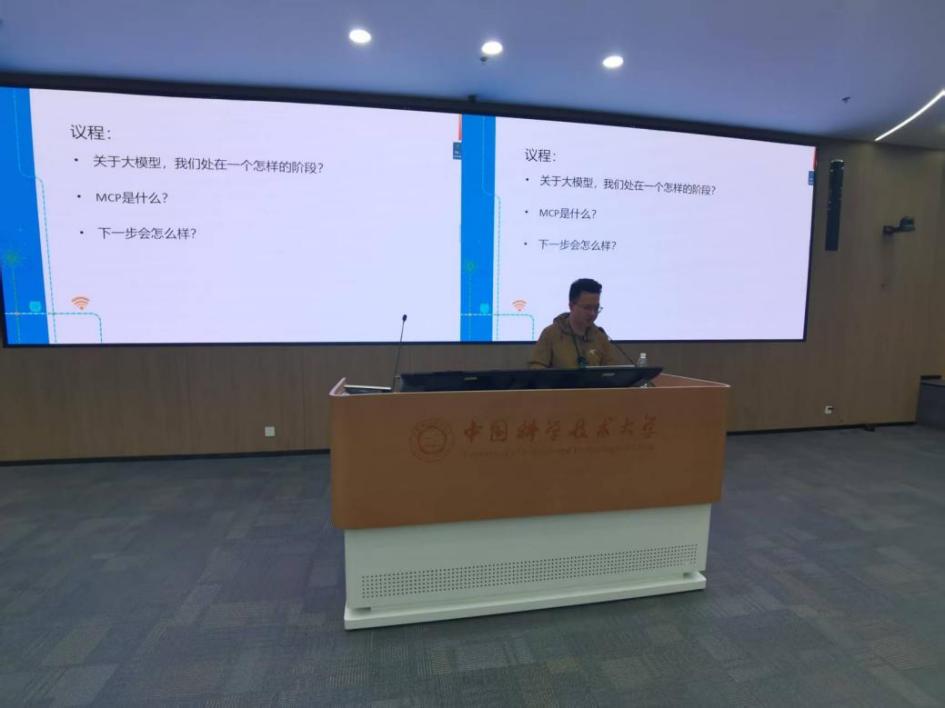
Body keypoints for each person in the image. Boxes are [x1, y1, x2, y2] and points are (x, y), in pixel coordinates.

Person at [528, 278, 621, 368]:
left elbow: (611, 370)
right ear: (571, 306)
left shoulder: (600, 336)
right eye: (587, 308)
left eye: (596, 308)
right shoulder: (550, 334)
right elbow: (536, 367)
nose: (592, 313)